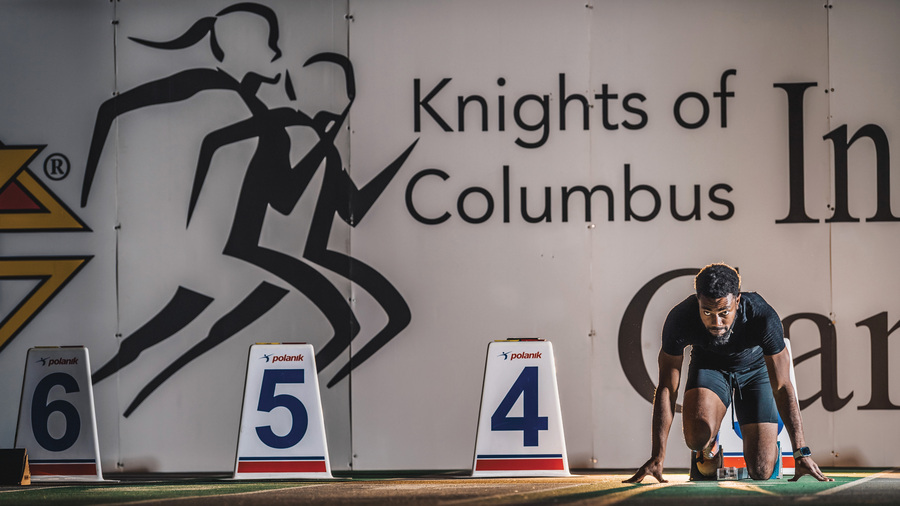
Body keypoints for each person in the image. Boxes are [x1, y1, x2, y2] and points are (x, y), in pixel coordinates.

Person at [625, 263, 832, 483]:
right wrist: (658, 455)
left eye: (724, 312)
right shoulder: (680, 318)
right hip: (710, 366)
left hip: (755, 371)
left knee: (761, 471)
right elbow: (667, 388)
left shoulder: (762, 316)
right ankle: (710, 446)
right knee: (695, 438)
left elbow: (782, 386)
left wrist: (800, 452)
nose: (716, 323)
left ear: (738, 301)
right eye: (707, 312)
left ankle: (772, 450)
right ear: (698, 302)